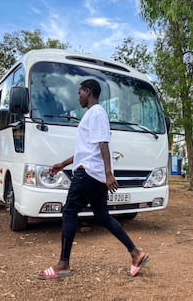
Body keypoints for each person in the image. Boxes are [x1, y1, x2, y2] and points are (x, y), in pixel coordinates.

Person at [38, 79, 149, 279]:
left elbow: (103, 143)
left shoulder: (96, 113)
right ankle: (136, 253)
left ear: (88, 92)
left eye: (79, 92)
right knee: (102, 216)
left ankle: (63, 264)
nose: (77, 97)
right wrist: (62, 165)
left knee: (70, 212)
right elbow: (86, 150)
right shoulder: (94, 115)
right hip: (94, 173)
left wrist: (108, 173)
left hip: (89, 173)